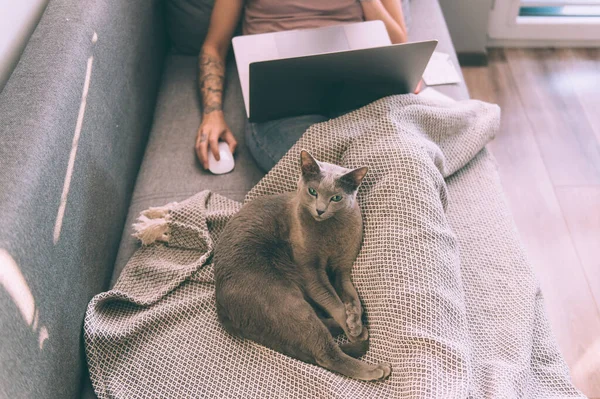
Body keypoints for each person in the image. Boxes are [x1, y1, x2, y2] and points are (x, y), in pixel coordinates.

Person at [195, 0, 408, 172]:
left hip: (356, 87)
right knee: (323, 178)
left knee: (396, 163)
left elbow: (399, 45)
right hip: (283, 100)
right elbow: (215, 46)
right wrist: (212, 113)